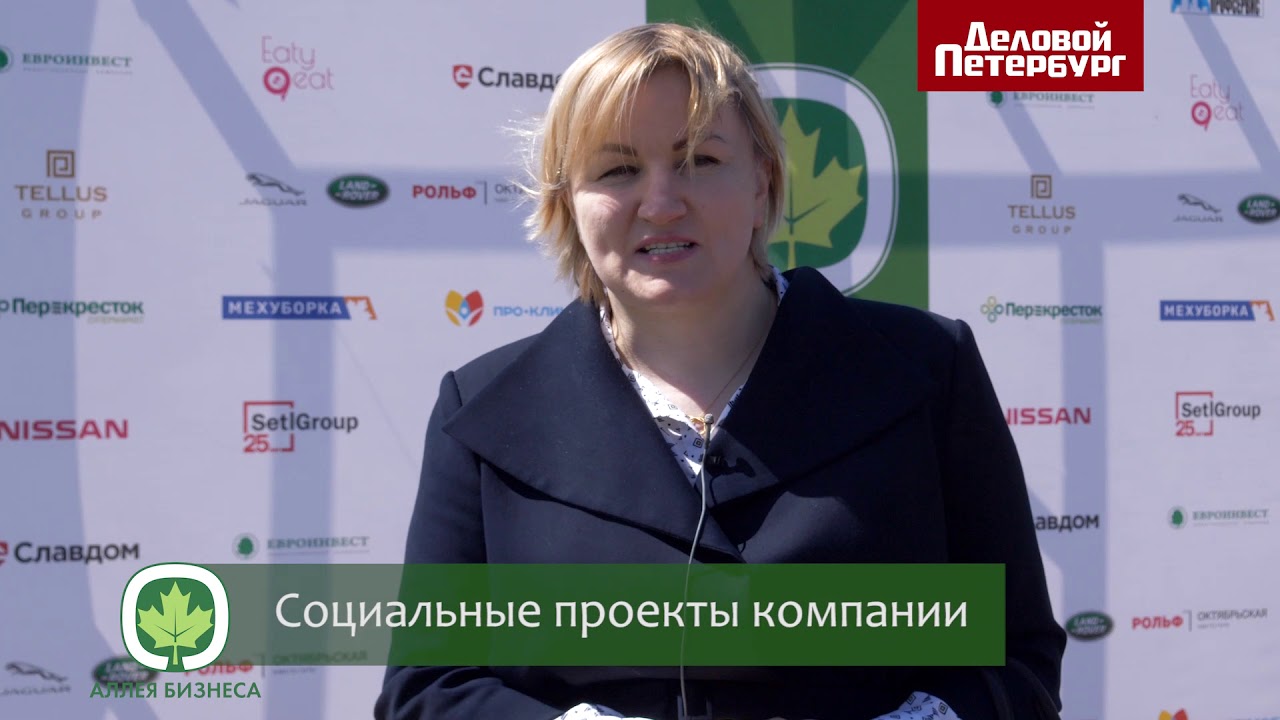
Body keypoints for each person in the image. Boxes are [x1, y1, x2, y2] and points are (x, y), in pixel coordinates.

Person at [375, 22, 1065, 720]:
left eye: (699, 159)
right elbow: (426, 688)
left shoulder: (926, 370)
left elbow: (1017, 656)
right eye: (617, 171)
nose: (661, 202)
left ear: (763, 181)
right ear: (566, 203)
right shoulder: (482, 410)